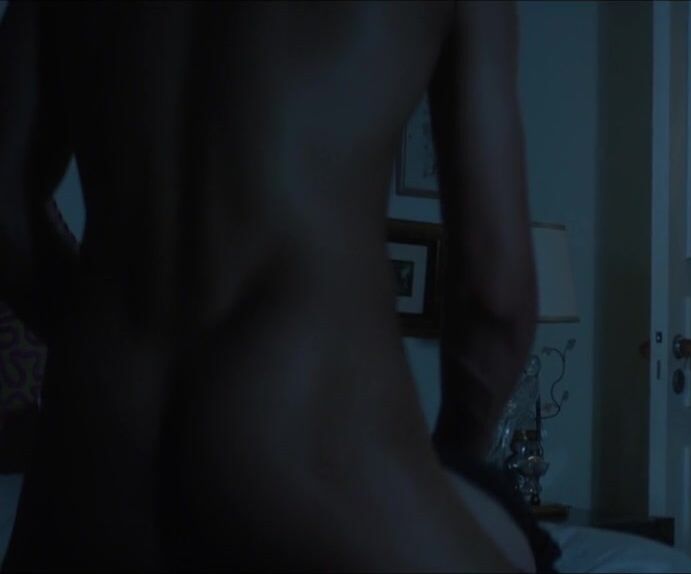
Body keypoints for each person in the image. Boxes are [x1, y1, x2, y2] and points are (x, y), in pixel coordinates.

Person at [0, 1, 546, 570]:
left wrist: (103, 337)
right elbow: (496, 297)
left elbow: (7, 221)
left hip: (94, 430)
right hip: (301, 431)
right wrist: (453, 469)